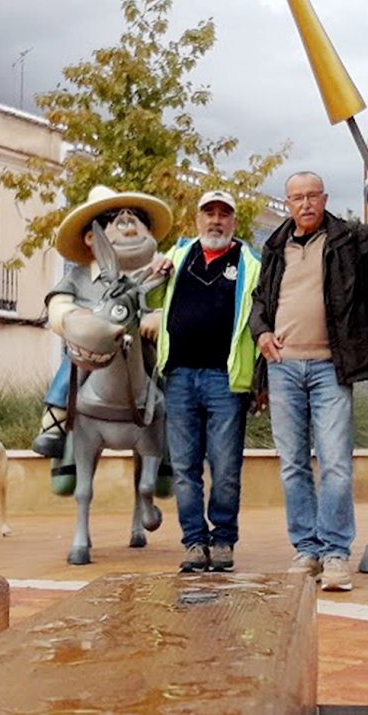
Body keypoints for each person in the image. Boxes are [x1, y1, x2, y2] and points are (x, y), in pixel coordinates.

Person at [249, 171, 368, 591]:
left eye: (313, 196)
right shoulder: (274, 247)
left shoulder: (349, 238)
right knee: (293, 465)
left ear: (325, 198)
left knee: (334, 464)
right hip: (283, 368)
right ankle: (306, 550)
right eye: (297, 197)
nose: (305, 204)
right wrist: (261, 332)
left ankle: (334, 554)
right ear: (288, 203)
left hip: (332, 368)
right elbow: (260, 302)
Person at [141, 190, 261, 573]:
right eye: (209, 213)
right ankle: (194, 542)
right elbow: (147, 297)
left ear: (234, 223)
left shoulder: (250, 264)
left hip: (226, 380)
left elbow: (260, 319)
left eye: (224, 215)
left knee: (225, 467)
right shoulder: (176, 257)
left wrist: (261, 381)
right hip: (178, 377)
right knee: (185, 467)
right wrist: (154, 273)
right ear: (196, 220)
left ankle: (223, 539)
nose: (216, 221)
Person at [34, 185, 172, 458]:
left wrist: (160, 319)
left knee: (167, 374)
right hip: (93, 349)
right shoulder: (79, 277)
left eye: (137, 222)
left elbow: (174, 307)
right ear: (90, 237)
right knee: (74, 366)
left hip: (141, 345)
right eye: (119, 222)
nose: (131, 230)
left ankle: (173, 431)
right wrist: (74, 320)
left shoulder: (154, 275)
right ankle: (55, 420)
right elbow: (58, 304)